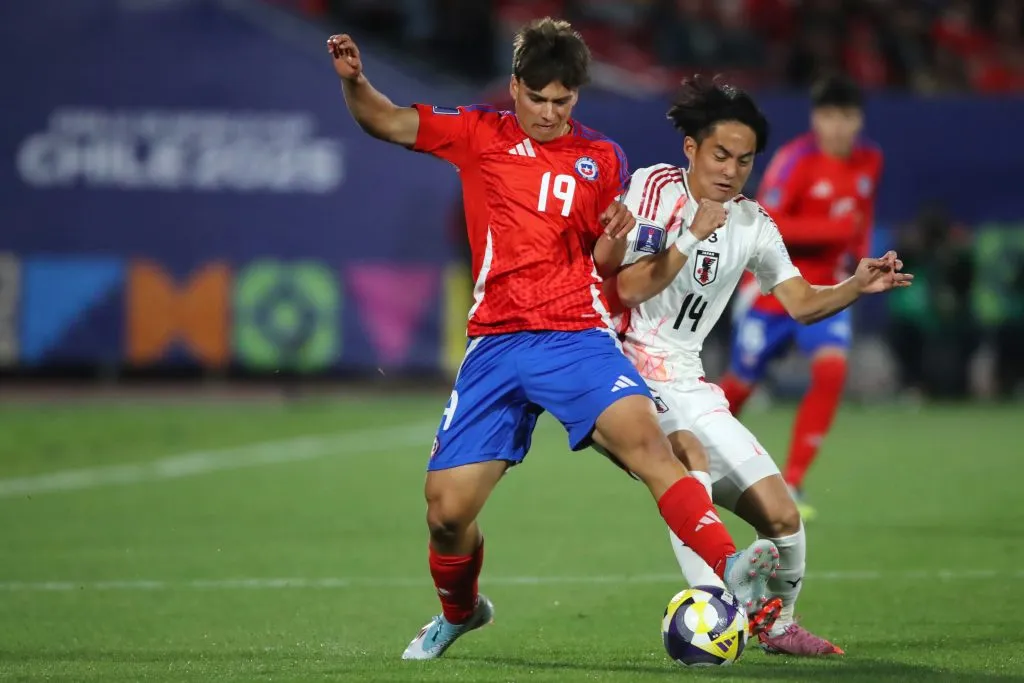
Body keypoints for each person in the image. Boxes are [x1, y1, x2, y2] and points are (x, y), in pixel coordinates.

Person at [326, 19, 782, 662]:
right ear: (514, 88)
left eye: (562, 101)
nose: (548, 112)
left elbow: (604, 262)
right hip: (495, 344)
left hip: (574, 335)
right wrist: (356, 83)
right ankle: (461, 612)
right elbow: (387, 121)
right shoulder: (477, 133)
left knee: (651, 447)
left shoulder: (604, 158)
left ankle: (730, 568)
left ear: (577, 97)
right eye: (536, 98)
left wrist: (619, 235)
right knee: (446, 513)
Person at [596, 75, 911, 655]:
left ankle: (779, 625)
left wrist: (854, 285)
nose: (731, 170)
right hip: (621, 368)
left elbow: (799, 302)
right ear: (690, 147)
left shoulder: (754, 224)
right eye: (720, 154)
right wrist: (689, 238)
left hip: (687, 377)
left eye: (743, 160)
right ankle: (715, 602)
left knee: (784, 516)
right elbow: (625, 289)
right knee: (685, 453)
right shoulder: (652, 190)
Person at [716, 75, 883, 520]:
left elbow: (861, 220)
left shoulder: (870, 160)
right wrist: (835, 231)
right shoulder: (795, 161)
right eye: (829, 116)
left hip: (828, 286)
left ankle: (792, 481)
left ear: (859, 119)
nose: (838, 126)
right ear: (815, 118)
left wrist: (862, 263)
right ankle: (689, 454)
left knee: (831, 371)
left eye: (847, 116)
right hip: (775, 286)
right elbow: (766, 221)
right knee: (741, 384)